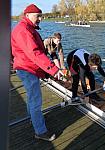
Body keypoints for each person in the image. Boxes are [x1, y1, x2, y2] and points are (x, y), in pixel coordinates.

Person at [11, 4, 64, 141]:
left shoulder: (26, 28)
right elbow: (34, 53)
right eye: (37, 16)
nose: (40, 18)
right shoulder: (24, 30)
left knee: (31, 97)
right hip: (27, 69)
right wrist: (53, 70)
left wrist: (46, 71)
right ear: (27, 15)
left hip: (27, 67)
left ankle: (33, 119)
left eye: (40, 16)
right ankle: (40, 131)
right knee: (35, 100)